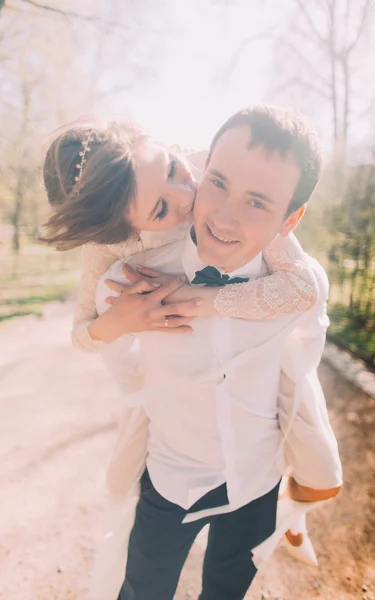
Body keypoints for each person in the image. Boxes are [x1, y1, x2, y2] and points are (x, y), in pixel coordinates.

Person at [91, 105, 342, 600]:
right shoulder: (127, 284)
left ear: (289, 219)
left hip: (256, 479)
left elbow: (308, 338)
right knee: (142, 590)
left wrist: (198, 301)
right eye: (219, 183)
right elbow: (127, 374)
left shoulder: (294, 286)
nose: (224, 216)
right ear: (201, 174)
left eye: (257, 202)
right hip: (170, 478)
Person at [41, 120, 319, 355]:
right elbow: (81, 336)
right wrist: (120, 322)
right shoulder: (106, 245)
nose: (189, 194)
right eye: (160, 209)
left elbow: (303, 288)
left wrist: (189, 298)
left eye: (171, 167)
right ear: (129, 232)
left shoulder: (219, 170)